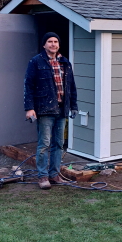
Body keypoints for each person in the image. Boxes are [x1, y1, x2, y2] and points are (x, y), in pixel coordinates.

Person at [24, 32, 78, 189]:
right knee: (44, 144)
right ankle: (42, 177)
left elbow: (71, 87)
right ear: (44, 45)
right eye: (49, 41)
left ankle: (54, 175)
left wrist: (73, 105)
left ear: (58, 45)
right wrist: (29, 108)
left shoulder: (65, 63)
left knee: (59, 143)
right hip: (44, 109)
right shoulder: (36, 62)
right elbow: (28, 86)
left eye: (55, 41)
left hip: (62, 110)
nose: (53, 44)